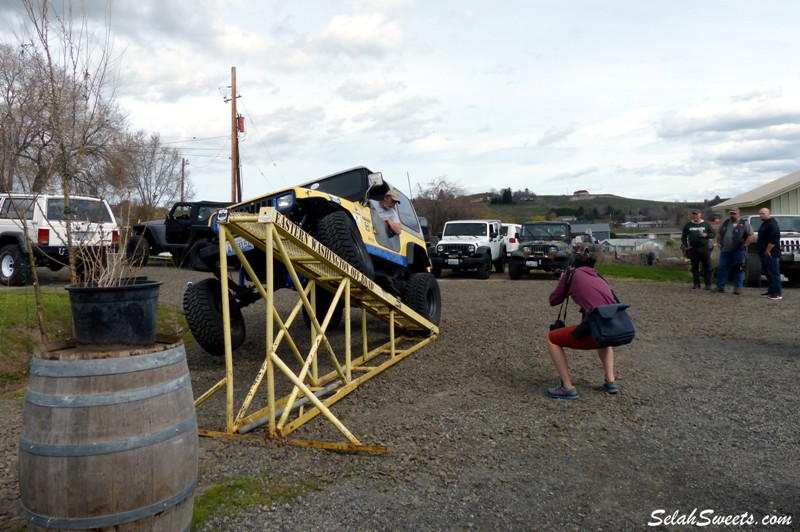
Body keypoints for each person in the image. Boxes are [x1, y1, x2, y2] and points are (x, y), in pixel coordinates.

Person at [545, 254, 620, 399]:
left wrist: (563, 281)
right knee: (603, 339)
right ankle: (610, 381)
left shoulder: (571, 275)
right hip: (614, 329)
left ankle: (567, 387)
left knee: (552, 338)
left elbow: (553, 300)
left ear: (574, 266)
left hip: (597, 330)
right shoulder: (599, 277)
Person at [715, 207, 753, 294]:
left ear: (739, 214)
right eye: (731, 213)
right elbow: (719, 233)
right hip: (725, 250)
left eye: (734, 214)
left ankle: (737, 288)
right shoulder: (725, 223)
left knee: (738, 269)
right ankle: (720, 287)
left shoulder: (744, 224)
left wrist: (745, 245)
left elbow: (750, 235)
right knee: (722, 268)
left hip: (738, 250)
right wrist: (719, 243)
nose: (732, 215)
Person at [681, 209, 715, 289]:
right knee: (694, 267)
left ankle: (708, 284)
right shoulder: (688, 225)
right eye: (694, 214)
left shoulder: (706, 224)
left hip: (704, 248)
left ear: (700, 215)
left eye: (697, 214)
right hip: (693, 249)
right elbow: (683, 237)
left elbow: (713, 234)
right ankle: (696, 284)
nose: (695, 216)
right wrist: (686, 245)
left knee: (707, 266)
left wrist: (706, 235)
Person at [757, 208, 782, 300]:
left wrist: (768, 250)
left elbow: (774, 239)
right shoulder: (765, 224)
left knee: (773, 273)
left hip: (771, 254)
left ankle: (777, 293)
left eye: (763, 213)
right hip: (764, 253)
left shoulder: (772, 225)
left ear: (769, 214)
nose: (761, 215)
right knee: (768, 273)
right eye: (760, 214)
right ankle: (771, 291)